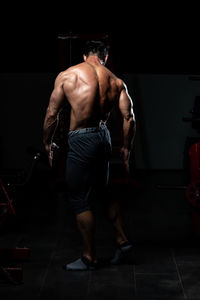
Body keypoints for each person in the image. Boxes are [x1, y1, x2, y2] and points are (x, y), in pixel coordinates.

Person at [43, 40, 136, 271]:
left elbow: (52, 113)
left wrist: (48, 141)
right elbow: (129, 118)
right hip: (102, 137)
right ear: (104, 57)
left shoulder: (68, 75)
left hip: (81, 138)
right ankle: (122, 242)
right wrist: (126, 148)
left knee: (79, 198)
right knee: (103, 192)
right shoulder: (116, 81)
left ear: (85, 56)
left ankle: (89, 257)